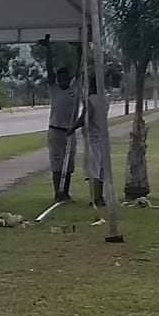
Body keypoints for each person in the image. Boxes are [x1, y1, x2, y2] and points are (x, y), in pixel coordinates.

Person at [41, 38, 80, 201]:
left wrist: (81, 49)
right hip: (56, 131)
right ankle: (58, 192)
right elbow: (49, 70)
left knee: (68, 164)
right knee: (57, 164)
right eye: (60, 79)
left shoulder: (74, 89)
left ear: (69, 78)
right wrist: (48, 49)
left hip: (70, 131)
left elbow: (81, 69)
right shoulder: (55, 89)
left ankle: (66, 192)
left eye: (65, 79)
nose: (62, 81)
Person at [80, 76, 106, 207]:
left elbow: (85, 117)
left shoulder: (89, 101)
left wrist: (72, 128)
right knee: (101, 168)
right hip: (103, 137)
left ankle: (95, 197)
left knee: (93, 169)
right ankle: (100, 196)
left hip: (93, 138)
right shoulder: (104, 100)